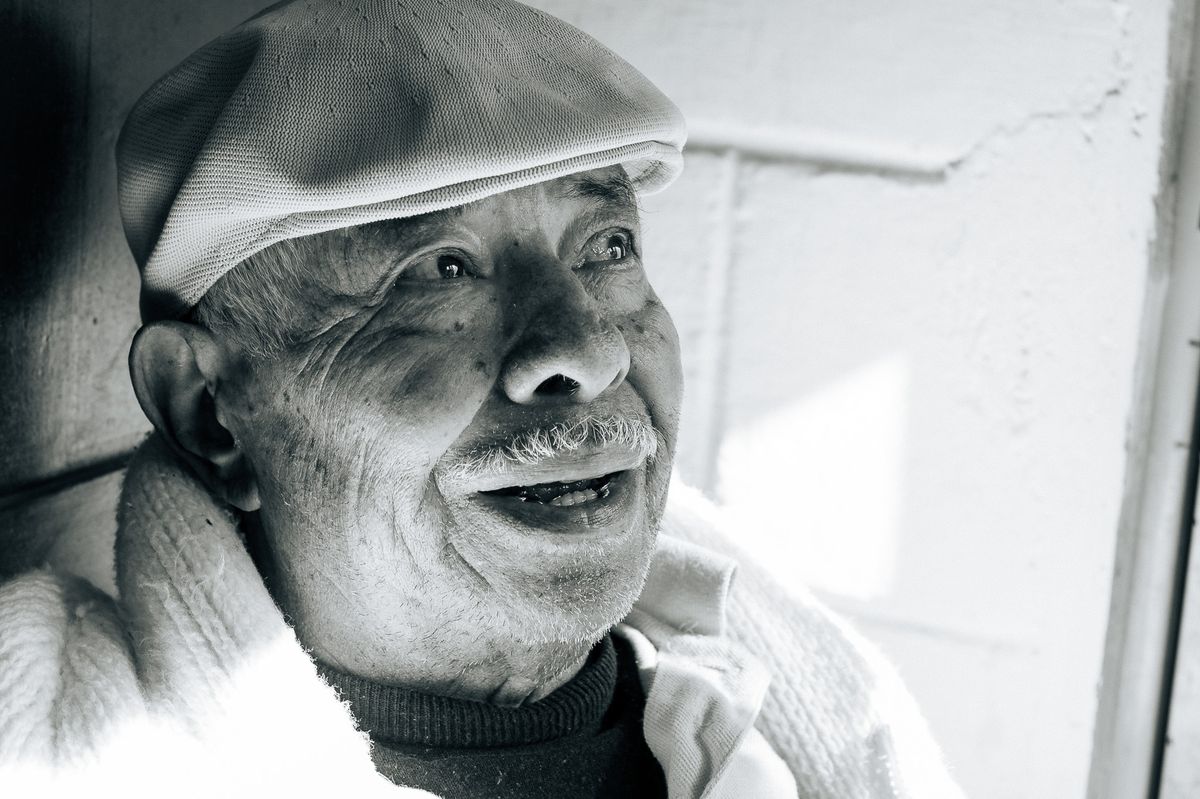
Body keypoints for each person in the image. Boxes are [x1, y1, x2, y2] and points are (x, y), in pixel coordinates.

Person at [0, 0, 964, 797]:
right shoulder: (56, 752)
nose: (584, 349)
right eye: (439, 270)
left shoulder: (824, 707)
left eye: (608, 246)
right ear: (212, 412)